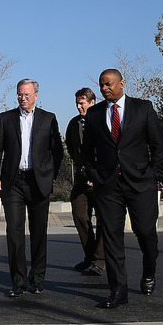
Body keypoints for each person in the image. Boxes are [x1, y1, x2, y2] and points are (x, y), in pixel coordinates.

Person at [82, 69, 163, 309]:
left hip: (140, 183)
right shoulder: (95, 113)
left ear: (122, 84)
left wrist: (154, 175)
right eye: (101, 85)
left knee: (146, 233)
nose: (105, 88)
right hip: (108, 186)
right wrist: (93, 174)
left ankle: (149, 271)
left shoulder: (143, 108)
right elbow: (87, 151)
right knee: (111, 239)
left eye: (108, 84)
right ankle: (118, 291)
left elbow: (157, 145)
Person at [0, 78, 64, 297]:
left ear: (36, 96)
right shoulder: (6, 118)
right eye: (20, 94)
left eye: (27, 95)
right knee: (14, 232)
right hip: (13, 182)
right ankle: (18, 282)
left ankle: (38, 279)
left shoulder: (49, 118)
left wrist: (50, 176)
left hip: (38, 182)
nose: (23, 98)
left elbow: (57, 151)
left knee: (39, 233)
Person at [65, 87, 104, 276]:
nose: (79, 106)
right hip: (81, 179)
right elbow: (71, 147)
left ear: (92, 102)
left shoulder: (102, 120)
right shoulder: (73, 124)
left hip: (101, 179)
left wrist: (97, 175)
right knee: (80, 216)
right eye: (77, 103)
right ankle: (90, 257)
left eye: (82, 103)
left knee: (104, 220)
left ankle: (100, 260)